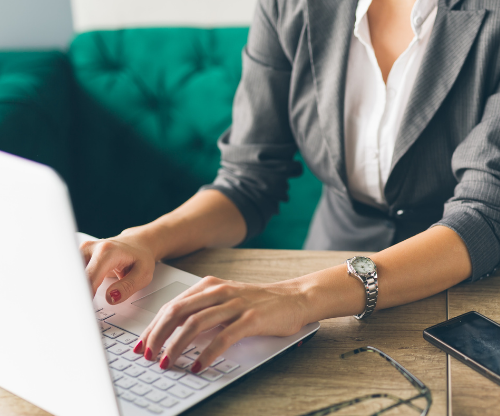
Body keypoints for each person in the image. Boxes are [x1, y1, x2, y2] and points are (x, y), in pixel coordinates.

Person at [81, 0, 500, 375]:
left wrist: (300, 296)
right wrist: (147, 239)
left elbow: (484, 216)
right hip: (330, 269)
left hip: (465, 290)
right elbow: (248, 179)